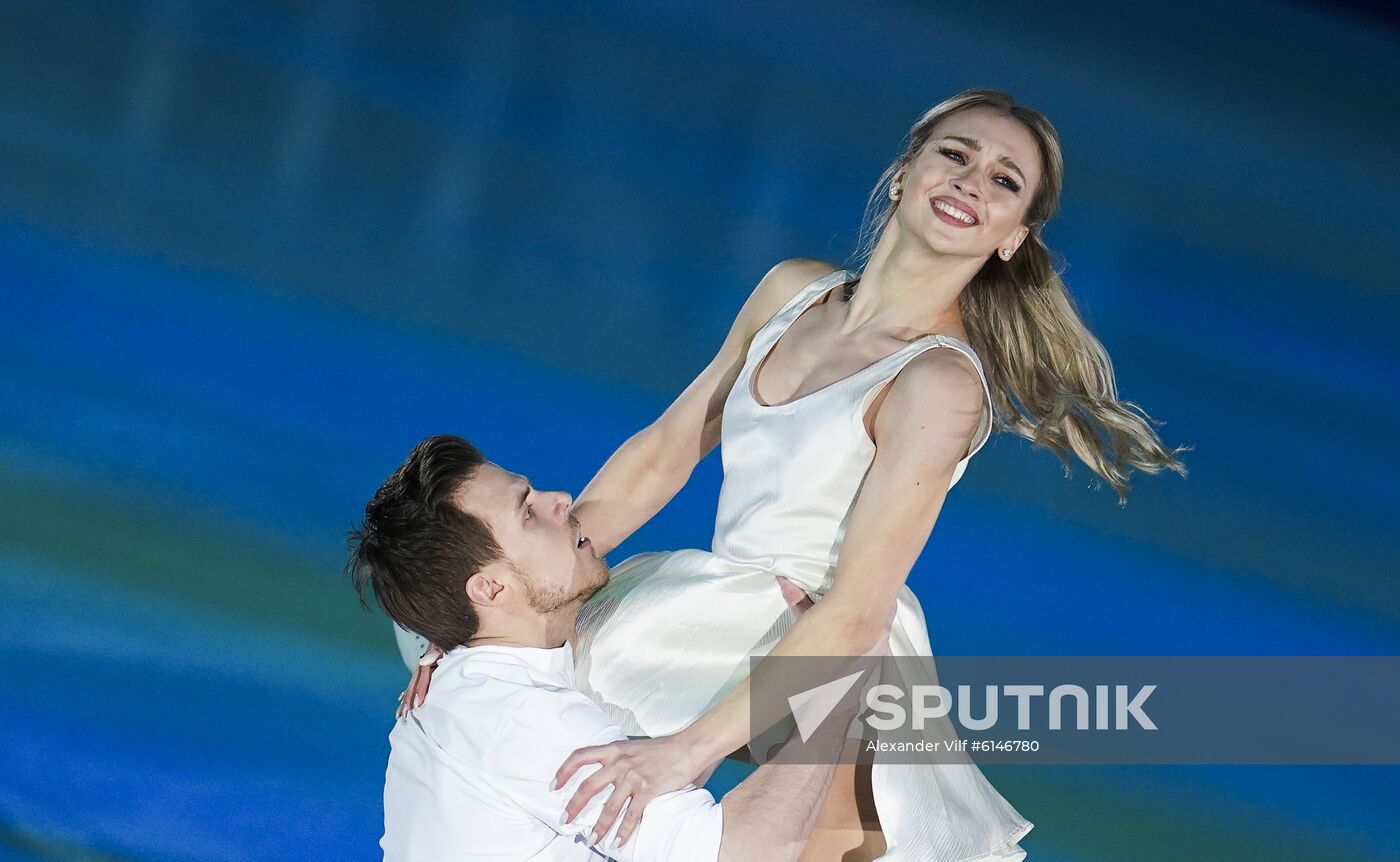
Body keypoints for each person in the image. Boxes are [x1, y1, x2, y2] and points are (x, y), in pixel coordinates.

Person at [397, 88, 1189, 861]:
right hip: (712, 607)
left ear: (1014, 235)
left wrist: (688, 751)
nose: (971, 183)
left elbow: (859, 607)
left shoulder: (937, 384)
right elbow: (666, 451)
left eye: (1004, 181)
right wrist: (480, 620)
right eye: (956, 154)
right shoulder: (791, 290)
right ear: (906, 170)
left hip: (832, 643)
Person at [351, 435, 890, 861]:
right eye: (529, 513)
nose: (561, 500)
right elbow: (744, 854)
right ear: (489, 590)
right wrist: (835, 678)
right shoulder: (520, 719)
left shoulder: (477, 673)